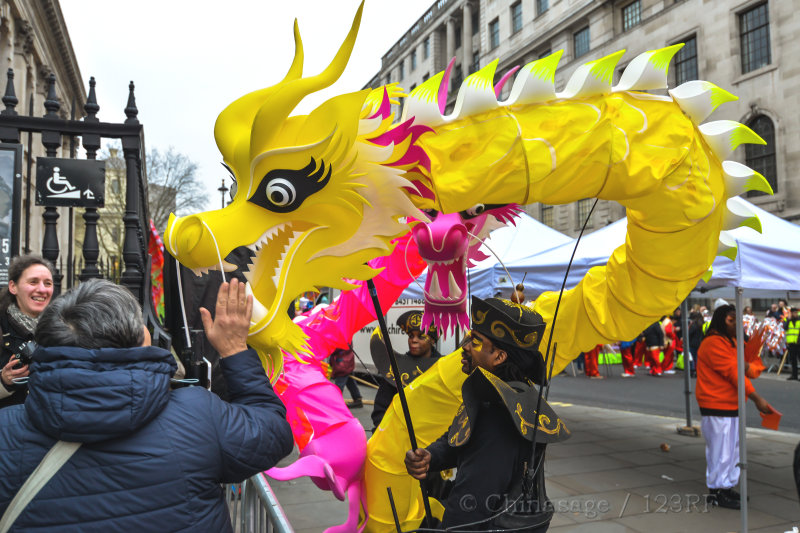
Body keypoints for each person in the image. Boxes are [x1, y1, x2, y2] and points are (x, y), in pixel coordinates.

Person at [0, 278, 293, 531]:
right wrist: (234, 351)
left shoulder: (6, 431)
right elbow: (273, 432)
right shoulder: (196, 414)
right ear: (140, 339)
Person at [404, 297, 569, 531]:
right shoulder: (507, 392)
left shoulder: (499, 415)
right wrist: (432, 456)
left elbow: (470, 508)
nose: (465, 345)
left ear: (499, 357)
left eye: (476, 341)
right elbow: (461, 435)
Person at [695, 304, 773, 510]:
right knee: (721, 450)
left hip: (732, 404)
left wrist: (747, 366)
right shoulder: (713, 343)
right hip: (715, 404)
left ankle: (727, 485)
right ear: (722, 320)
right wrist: (757, 398)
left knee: (733, 449)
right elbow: (735, 374)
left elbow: (753, 366)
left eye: (737, 319)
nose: (736, 323)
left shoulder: (733, 342)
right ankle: (717, 491)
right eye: (731, 319)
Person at [370, 310, 441, 428]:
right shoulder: (396, 368)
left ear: (433, 341)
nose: (414, 340)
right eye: (411, 336)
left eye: (421, 336)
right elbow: (380, 410)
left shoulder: (441, 366)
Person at [0, 255, 54, 409]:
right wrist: (4, 382)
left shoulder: (63, 328)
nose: (42, 289)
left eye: (48, 283)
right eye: (33, 282)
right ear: (13, 287)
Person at [784, 307, 800, 381]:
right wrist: (788, 319)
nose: (795, 314)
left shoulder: (799, 320)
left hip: (799, 343)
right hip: (791, 344)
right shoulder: (787, 320)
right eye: (794, 313)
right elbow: (785, 327)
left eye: (796, 313)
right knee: (793, 361)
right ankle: (794, 375)